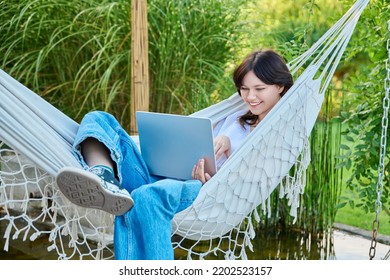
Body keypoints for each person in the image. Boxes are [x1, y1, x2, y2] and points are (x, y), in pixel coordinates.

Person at [55, 48, 293, 260]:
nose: (250, 97)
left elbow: (248, 182)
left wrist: (224, 156)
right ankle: (104, 176)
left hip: (205, 193)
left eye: (259, 89)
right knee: (98, 119)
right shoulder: (233, 118)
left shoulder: (279, 133)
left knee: (146, 197)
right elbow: (196, 145)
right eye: (244, 89)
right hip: (167, 176)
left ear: (280, 86)